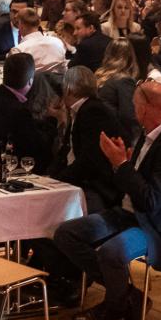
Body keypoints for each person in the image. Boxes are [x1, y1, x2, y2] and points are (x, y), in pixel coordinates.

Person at [53, 80, 161, 320]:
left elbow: (152, 201)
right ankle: (129, 298)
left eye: (135, 105)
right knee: (67, 234)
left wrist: (122, 165)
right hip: (129, 214)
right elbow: (131, 185)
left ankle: (114, 304)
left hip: (156, 225)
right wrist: (118, 164)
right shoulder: (145, 136)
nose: (132, 110)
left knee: (112, 252)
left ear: (144, 108)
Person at [48, 67, 123, 213]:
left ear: (68, 89)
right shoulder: (83, 109)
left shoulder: (92, 111)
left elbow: (89, 159)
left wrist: (59, 179)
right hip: (81, 181)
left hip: (95, 188)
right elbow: (66, 150)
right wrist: (52, 176)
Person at [0, 53, 54, 165]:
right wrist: (54, 120)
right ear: (30, 81)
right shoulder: (18, 110)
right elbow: (36, 149)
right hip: (2, 165)